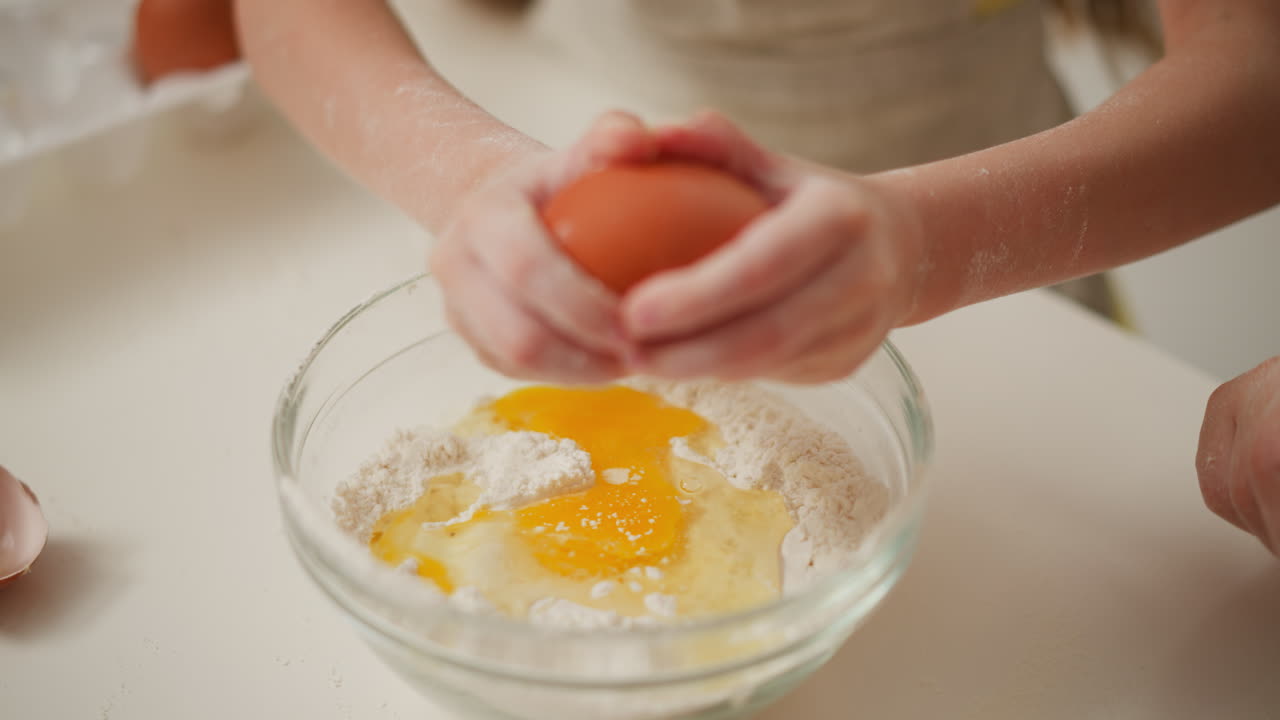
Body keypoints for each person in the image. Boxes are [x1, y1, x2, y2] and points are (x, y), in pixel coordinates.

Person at [231, 0, 1280, 555]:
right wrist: (482, 189)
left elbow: (1254, 68)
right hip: (563, 167)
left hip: (1018, 266)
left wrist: (918, 240)